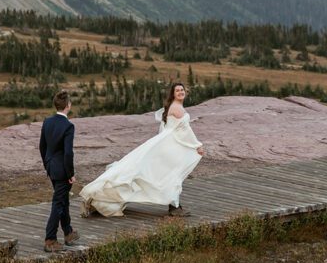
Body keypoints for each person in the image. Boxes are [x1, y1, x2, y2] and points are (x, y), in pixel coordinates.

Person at [80, 82, 204, 218]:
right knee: (172, 175)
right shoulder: (177, 108)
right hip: (171, 145)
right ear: (173, 94)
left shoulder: (174, 106)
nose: (181, 92)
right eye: (177, 90)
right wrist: (197, 145)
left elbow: (168, 127)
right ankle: (174, 207)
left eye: (182, 90)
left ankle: (174, 205)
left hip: (169, 143)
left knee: (167, 174)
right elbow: (186, 131)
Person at [39, 90, 80, 253]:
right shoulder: (68, 126)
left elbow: (42, 147)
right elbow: (68, 153)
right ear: (68, 105)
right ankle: (50, 239)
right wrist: (70, 174)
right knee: (58, 203)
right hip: (62, 170)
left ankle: (68, 232)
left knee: (63, 200)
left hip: (51, 167)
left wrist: (47, 165)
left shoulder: (47, 122)